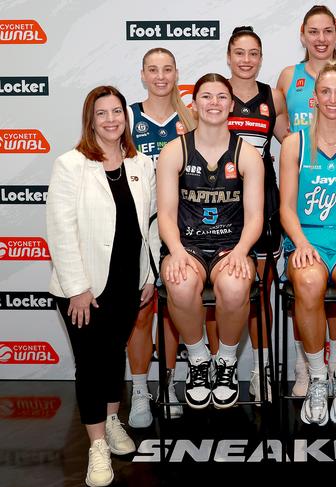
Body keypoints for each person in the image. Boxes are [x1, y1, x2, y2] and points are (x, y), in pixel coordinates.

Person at [47, 86, 157, 487]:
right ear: (89, 120)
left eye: (117, 112)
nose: (111, 120)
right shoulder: (70, 165)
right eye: (102, 114)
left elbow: (151, 224)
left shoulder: (140, 163)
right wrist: (77, 287)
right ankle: (96, 445)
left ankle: (112, 421)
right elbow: (60, 231)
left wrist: (148, 274)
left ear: (125, 118)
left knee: (113, 356)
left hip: (128, 281)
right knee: (92, 364)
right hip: (85, 288)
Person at [277, 4, 336, 395]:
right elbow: (278, 122)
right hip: (304, 202)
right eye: (312, 32)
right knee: (309, 282)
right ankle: (315, 373)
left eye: (327, 31)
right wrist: (299, 242)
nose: (320, 38)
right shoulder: (289, 80)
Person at [156, 73, 264, 410]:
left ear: (231, 105)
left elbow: (256, 216)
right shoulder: (175, 150)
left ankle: (227, 362)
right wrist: (174, 251)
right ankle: (200, 358)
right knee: (180, 281)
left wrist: (243, 251)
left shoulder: (246, 154)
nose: (213, 103)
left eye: (221, 97)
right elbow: (166, 214)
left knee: (234, 285)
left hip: (231, 244)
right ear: (195, 104)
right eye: (206, 96)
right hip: (186, 243)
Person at [208, 26, 288, 402]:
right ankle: (209, 369)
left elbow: (289, 140)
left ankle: (261, 370)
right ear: (228, 56)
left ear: (260, 57)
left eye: (253, 53)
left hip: (264, 202)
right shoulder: (214, 94)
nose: (245, 60)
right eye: (239, 53)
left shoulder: (273, 96)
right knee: (221, 289)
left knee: (260, 291)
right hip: (220, 203)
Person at [126, 47, 196, 427]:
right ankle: (140, 388)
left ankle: (168, 383)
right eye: (153, 69)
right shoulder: (128, 117)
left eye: (167, 69)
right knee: (140, 312)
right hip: (137, 226)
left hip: (178, 224)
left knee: (170, 310)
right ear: (142, 74)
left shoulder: (191, 116)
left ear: (176, 73)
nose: (160, 76)